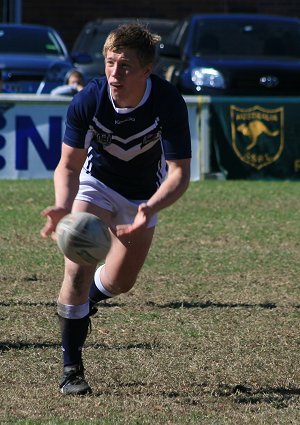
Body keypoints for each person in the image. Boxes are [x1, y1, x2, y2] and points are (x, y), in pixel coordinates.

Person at [40, 23, 191, 396]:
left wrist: (149, 208)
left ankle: (88, 301)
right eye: (109, 63)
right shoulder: (89, 100)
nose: (114, 73)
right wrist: (63, 205)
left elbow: (180, 174)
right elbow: (70, 165)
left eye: (124, 66)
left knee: (121, 282)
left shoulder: (167, 101)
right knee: (77, 265)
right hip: (98, 184)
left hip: (144, 196)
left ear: (146, 70)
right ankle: (71, 368)